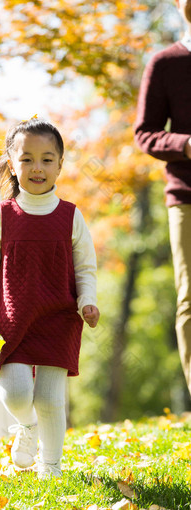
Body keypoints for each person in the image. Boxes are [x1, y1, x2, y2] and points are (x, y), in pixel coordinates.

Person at [0, 118, 99, 478]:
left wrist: (87, 301)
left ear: (60, 165)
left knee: (51, 399)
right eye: (27, 159)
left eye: (47, 159)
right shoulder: (4, 215)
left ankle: (50, 466)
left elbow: (86, 267)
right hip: (13, 318)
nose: (37, 167)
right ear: (11, 163)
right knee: (17, 394)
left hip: (60, 318)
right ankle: (26, 426)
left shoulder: (70, 216)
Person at [135, 0, 191, 397]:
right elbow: (146, 132)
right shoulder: (165, 62)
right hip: (187, 196)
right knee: (190, 298)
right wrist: (187, 144)